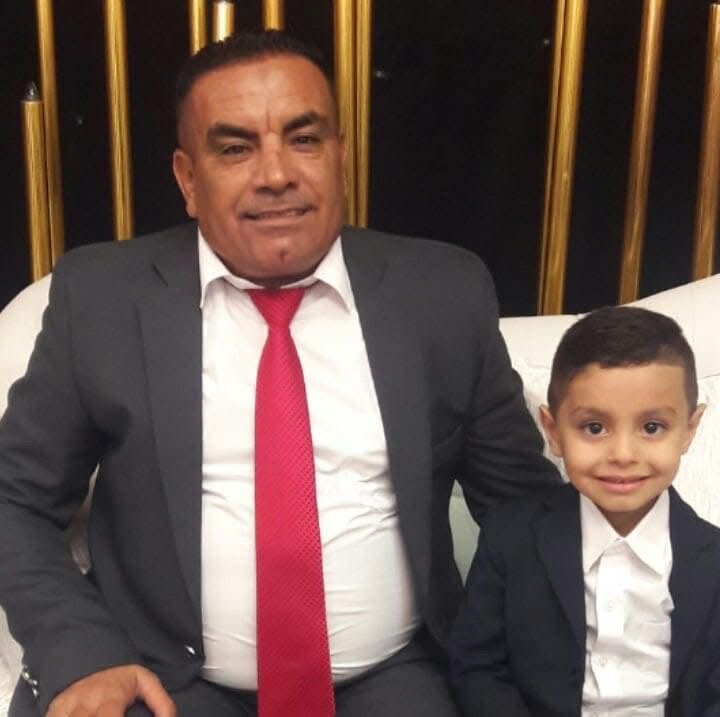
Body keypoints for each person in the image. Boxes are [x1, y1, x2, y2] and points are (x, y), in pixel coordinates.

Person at [0, 31, 559, 717]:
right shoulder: (102, 298)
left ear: (340, 156)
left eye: (304, 139)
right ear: (187, 179)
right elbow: (14, 499)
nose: (275, 175)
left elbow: (524, 509)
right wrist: (82, 651)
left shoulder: (441, 293)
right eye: (235, 149)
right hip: (161, 676)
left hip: (396, 677)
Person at [449, 305, 720, 716]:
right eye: (594, 428)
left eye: (652, 428)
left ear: (689, 430)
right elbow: (476, 667)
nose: (623, 454)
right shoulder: (510, 536)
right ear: (553, 431)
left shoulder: (712, 560)